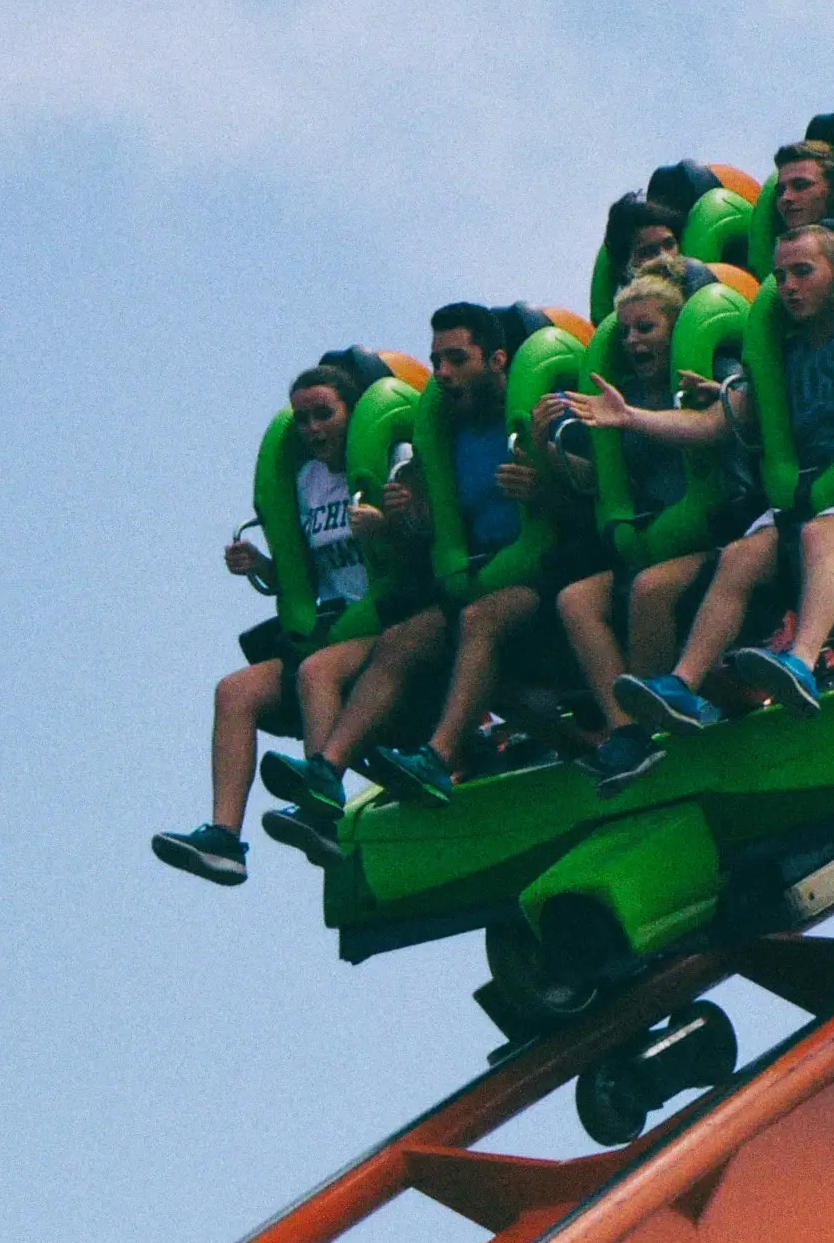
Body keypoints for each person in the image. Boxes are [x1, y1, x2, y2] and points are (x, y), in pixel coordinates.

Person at [596, 224, 834, 724]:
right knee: (740, 555)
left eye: (803, 272)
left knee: (818, 537)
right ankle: (683, 685)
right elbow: (717, 422)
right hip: (814, 498)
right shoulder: (786, 354)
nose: (790, 287)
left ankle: (799, 663)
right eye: (781, 276)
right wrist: (632, 416)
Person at [296, 305, 554, 805]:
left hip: (544, 572)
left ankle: (439, 757)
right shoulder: (442, 436)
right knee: (403, 639)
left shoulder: (532, 415)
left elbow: (583, 501)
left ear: (497, 360)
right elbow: (430, 532)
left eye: (457, 360)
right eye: (437, 362)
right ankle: (327, 769)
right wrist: (408, 517)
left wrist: (544, 488)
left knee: (479, 620)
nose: (443, 374)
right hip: (475, 577)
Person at [154, 363, 389, 885]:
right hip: (329, 625)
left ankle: (323, 815)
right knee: (235, 691)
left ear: (354, 413)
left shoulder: (389, 461)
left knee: (315, 672)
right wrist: (261, 566)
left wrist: (386, 524)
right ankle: (223, 840)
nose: (313, 429)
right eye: (303, 419)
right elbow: (305, 574)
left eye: (324, 414)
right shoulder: (307, 482)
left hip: (386, 624)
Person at [543, 260, 739, 789]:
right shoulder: (624, 393)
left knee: (650, 589)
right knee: (576, 599)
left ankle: (647, 729)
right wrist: (549, 455)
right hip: (655, 536)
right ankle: (625, 728)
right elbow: (601, 482)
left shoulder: (709, 374)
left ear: (678, 328)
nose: (632, 341)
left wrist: (632, 417)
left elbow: (714, 431)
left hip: (722, 531)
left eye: (646, 328)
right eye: (625, 331)